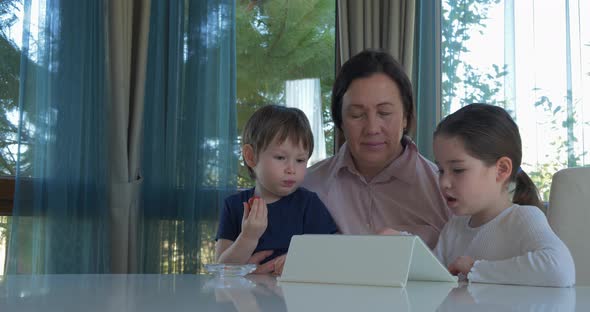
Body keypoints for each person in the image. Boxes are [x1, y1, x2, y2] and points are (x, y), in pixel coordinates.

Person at [303, 50, 450, 249]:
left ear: (406, 117)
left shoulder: (444, 189)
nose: (372, 128)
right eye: (356, 115)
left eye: (384, 113)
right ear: (340, 121)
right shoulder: (308, 187)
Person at [432, 103, 575, 287]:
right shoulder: (453, 228)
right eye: (440, 170)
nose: (444, 182)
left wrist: (476, 270)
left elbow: (559, 270)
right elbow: (431, 281)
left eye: (458, 170)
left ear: (501, 170)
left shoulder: (523, 218)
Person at [215, 105, 338, 274]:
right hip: (246, 299)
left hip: (296, 298)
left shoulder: (309, 205)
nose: (291, 169)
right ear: (251, 156)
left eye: (301, 160)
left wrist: (298, 261)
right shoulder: (234, 206)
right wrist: (248, 237)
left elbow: (331, 257)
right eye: (280, 157)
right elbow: (222, 270)